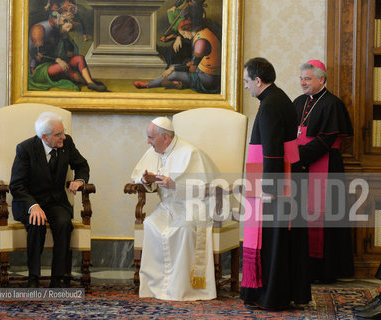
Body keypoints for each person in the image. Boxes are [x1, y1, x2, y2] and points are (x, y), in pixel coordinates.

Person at [240, 57, 311, 310]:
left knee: (270, 242)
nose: (246, 86)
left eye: (247, 81)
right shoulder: (280, 97)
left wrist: (268, 189)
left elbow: (271, 151)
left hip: (272, 183)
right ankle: (280, 293)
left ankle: (269, 296)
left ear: (258, 80)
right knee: (280, 242)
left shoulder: (269, 104)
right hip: (285, 179)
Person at [130, 117, 220, 301]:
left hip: (193, 207)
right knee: (151, 224)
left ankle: (182, 289)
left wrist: (175, 185)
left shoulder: (190, 153)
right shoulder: (154, 151)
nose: (148, 142)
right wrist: (146, 180)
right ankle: (155, 287)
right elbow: (139, 175)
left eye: (151, 138)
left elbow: (206, 189)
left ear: (165, 137)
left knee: (183, 229)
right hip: (168, 207)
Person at [9, 111, 89, 288]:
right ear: (44, 137)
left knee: (63, 223)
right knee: (36, 223)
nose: (63, 137)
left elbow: (82, 165)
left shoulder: (66, 143)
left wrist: (79, 180)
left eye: (63, 132)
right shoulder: (25, 149)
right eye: (58, 134)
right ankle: (33, 277)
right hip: (29, 202)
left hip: (55, 202)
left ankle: (57, 278)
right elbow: (16, 185)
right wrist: (33, 206)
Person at [293, 60, 354, 283]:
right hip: (301, 168)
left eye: (307, 79)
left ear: (322, 79)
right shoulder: (298, 102)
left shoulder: (332, 103)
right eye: (301, 78)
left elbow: (327, 139)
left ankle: (324, 271)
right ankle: (304, 268)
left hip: (325, 167)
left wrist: (300, 157)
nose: (302, 83)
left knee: (324, 219)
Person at [29, 0, 106, 92]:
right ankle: (86, 82)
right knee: (66, 68)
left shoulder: (59, 29)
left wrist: (65, 37)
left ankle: (90, 83)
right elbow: (38, 56)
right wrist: (57, 60)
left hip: (55, 64)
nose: (69, 22)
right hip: (40, 69)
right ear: (57, 17)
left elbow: (70, 54)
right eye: (66, 19)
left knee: (79, 58)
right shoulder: (39, 29)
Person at [134, 19, 220, 93]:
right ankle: (179, 82)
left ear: (188, 30)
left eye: (183, 34)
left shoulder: (200, 42)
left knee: (173, 73)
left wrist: (172, 69)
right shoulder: (202, 32)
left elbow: (192, 65)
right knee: (172, 67)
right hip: (203, 70)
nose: (184, 37)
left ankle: (147, 85)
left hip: (209, 79)